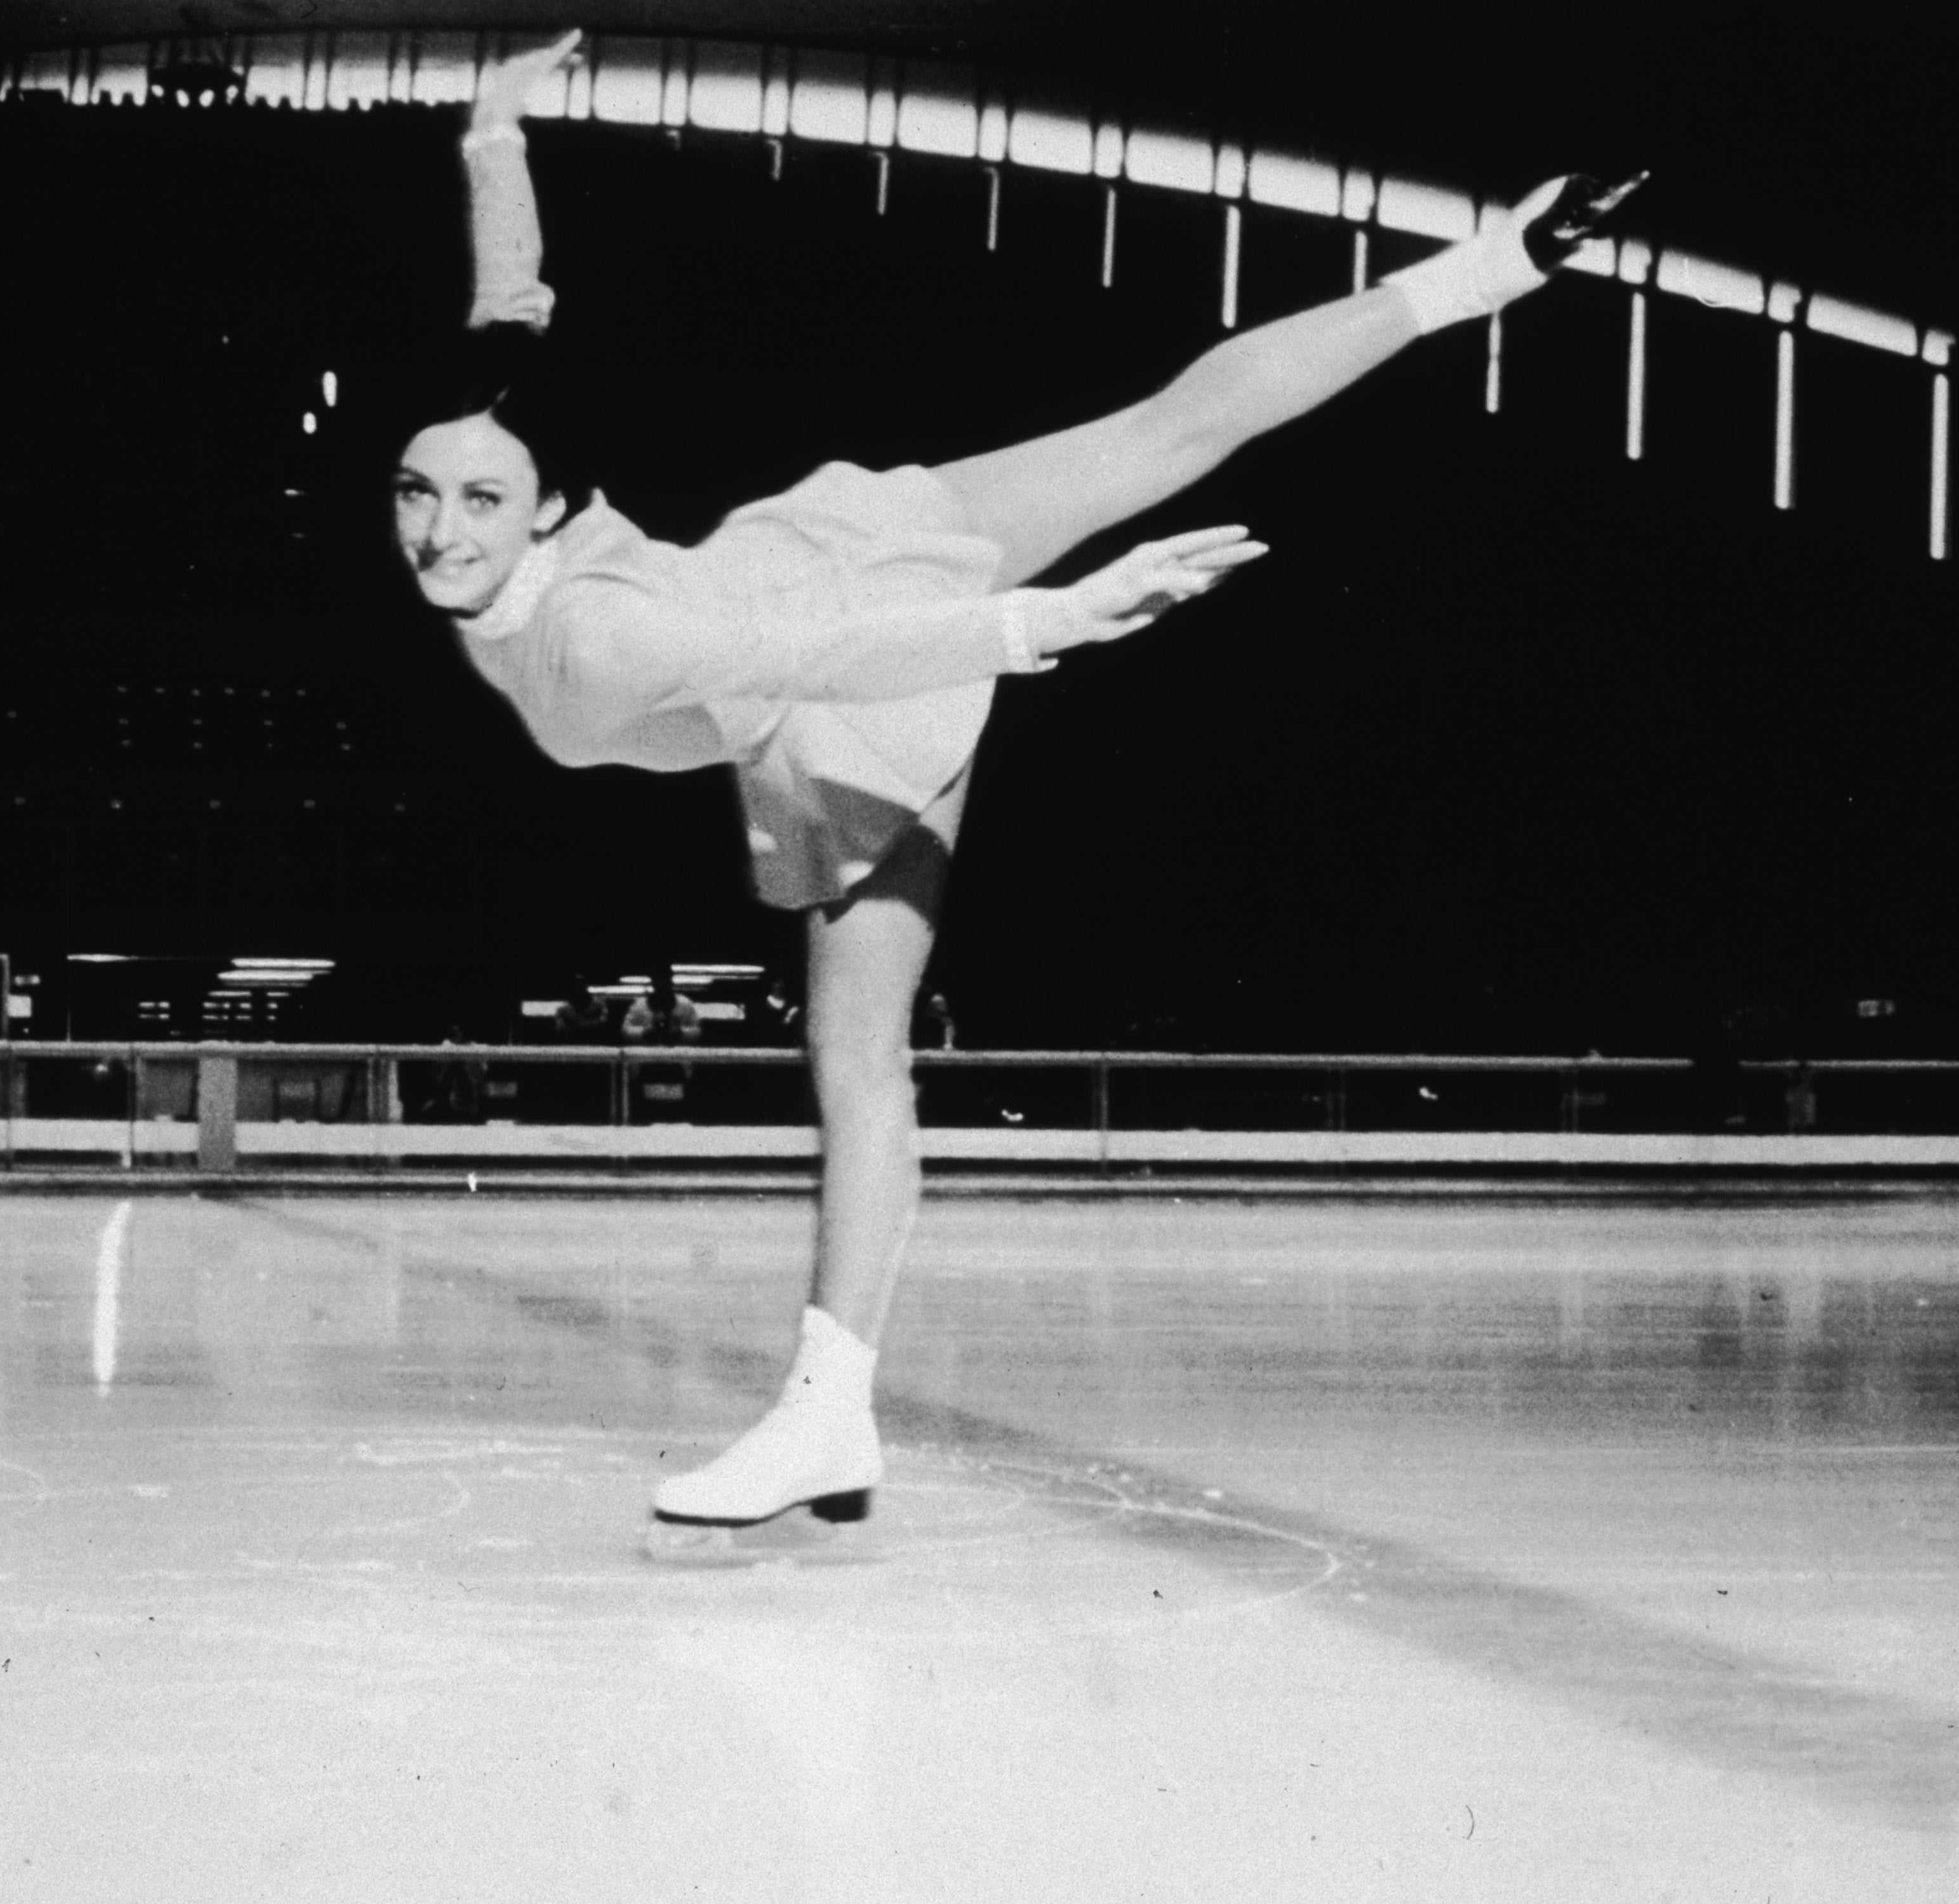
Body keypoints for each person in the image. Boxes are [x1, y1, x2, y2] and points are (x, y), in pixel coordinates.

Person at [391, 31, 1638, 1537]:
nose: (438, 530)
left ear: (552, 512)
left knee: (853, 1054)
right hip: (811, 563)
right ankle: (1500, 262)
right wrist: (490, 133)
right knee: (1158, 432)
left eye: (476, 501)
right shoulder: (508, 483)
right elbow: (507, 309)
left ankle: (825, 1415)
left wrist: (1043, 622)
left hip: (834, 663)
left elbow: (820, 654)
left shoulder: (595, 641)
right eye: (417, 491)